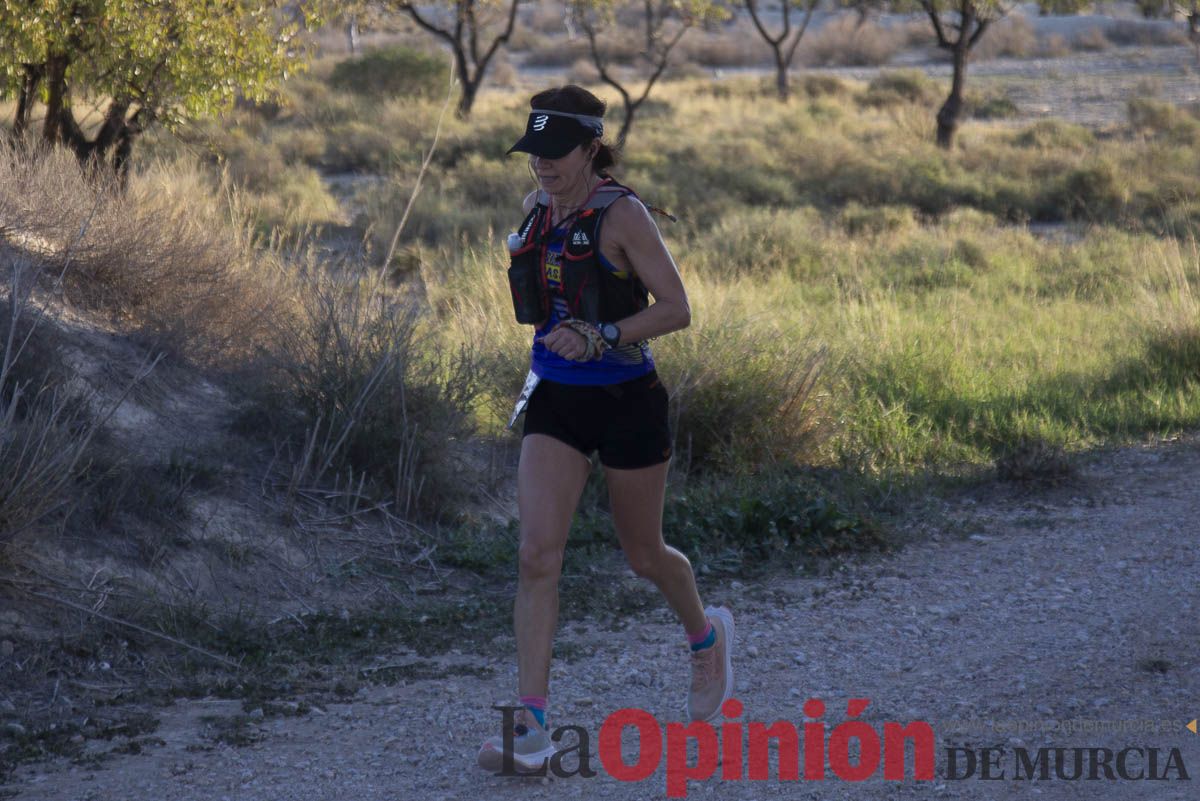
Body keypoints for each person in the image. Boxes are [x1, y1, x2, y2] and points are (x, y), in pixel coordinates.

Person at [477, 85, 735, 774]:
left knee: (644, 555)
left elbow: (677, 308)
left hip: (627, 400)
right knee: (536, 555)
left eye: (556, 152)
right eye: (534, 152)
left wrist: (603, 334)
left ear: (592, 148)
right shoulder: (536, 207)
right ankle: (532, 724)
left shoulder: (625, 215)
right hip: (556, 399)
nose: (542, 165)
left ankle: (705, 638)